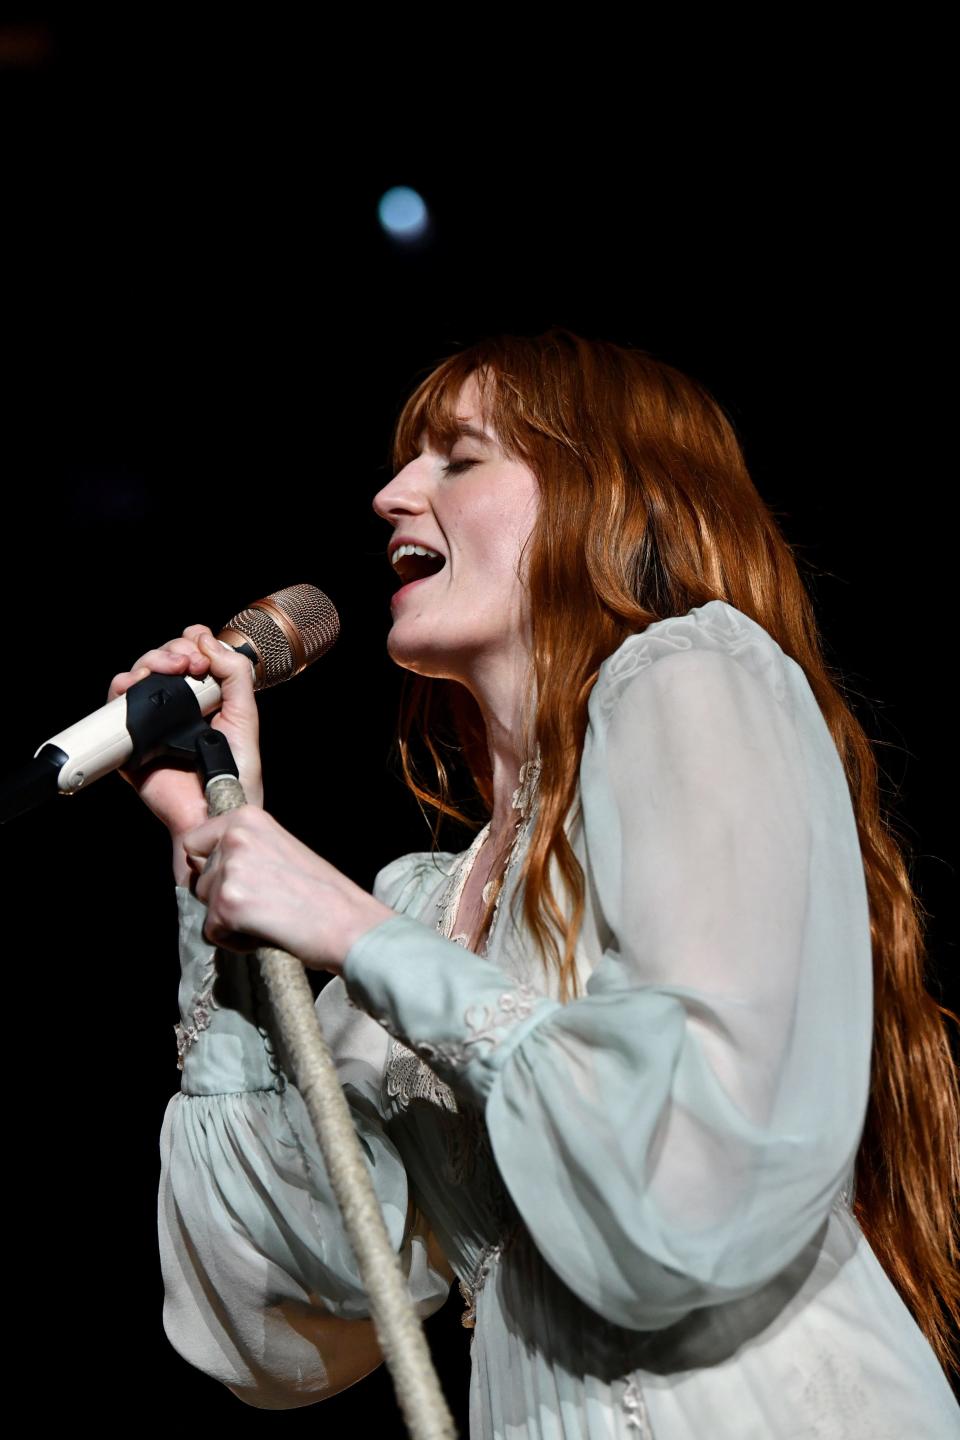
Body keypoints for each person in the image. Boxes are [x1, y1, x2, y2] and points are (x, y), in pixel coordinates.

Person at [109, 329, 960, 1437]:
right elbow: (275, 1311)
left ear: (609, 496)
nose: (391, 494)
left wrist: (351, 928)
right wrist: (218, 852)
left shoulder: (692, 673)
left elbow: (695, 1170)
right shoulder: (434, 899)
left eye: (460, 460)